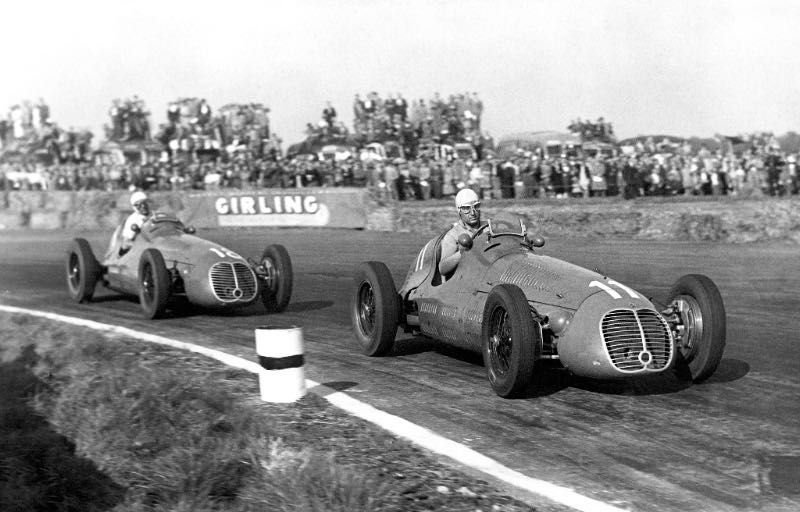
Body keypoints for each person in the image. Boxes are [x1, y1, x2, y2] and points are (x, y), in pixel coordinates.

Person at [438, 188, 483, 278]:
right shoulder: (453, 235)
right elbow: (442, 268)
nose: (473, 212)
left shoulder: (489, 227)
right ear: (459, 210)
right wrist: (461, 252)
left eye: (476, 206)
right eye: (466, 208)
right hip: (468, 280)